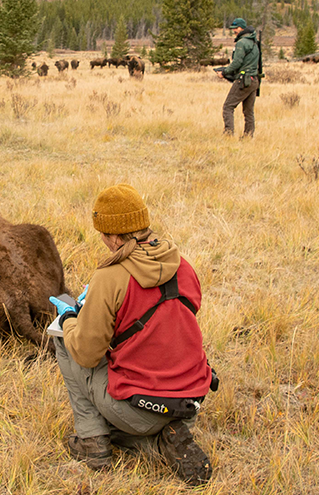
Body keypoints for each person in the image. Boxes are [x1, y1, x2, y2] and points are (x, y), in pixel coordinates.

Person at [50, 184, 214, 486]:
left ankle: (92, 442)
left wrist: (71, 319)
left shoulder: (109, 277)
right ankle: (163, 439)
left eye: (102, 233)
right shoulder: (183, 265)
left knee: (62, 340)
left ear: (114, 236)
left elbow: (87, 353)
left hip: (139, 408)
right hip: (189, 403)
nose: (102, 239)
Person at [215, 18, 262, 138]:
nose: (234, 31)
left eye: (236, 28)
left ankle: (228, 135)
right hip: (254, 80)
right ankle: (248, 136)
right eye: (233, 29)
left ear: (242, 28)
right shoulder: (254, 42)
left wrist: (224, 72)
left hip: (243, 80)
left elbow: (237, 63)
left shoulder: (242, 43)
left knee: (228, 107)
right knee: (248, 112)